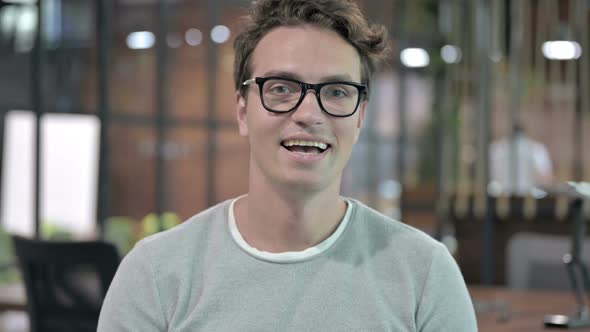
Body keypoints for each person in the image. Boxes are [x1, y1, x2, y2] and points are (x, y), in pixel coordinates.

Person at [98, 0, 477, 330]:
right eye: (281, 88)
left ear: (360, 118)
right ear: (243, 110)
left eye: (337, 92)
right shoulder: (155, 273)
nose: (309, 113)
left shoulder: (424, 274)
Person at [489, 124, 554, 196]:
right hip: (529, 198)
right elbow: (546, 179)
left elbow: (490, 176)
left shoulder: (496, 149)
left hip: (501, 197)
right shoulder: (537, 149)